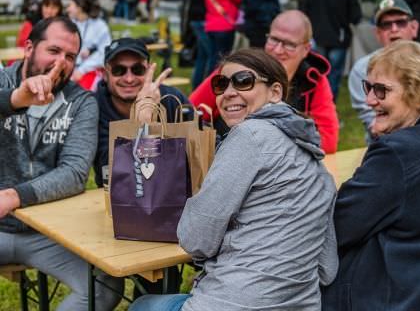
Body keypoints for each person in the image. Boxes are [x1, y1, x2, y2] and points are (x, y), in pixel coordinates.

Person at [130, 48, 338, 311]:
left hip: (231, 302)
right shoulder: (317, 163)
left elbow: (195, 239)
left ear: (275, 92)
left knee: (143, 305)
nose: (228, 92)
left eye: (243, 81)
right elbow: (327, 268)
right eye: (221, 83)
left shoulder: (249, 135)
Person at [323, 40, 420, 311]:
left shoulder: (398, 153)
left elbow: (335, 226)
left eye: (381, 90)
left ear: (418, 94)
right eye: (368, 87)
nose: (370, 99)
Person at [0, 16, 121, 310]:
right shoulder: (3, 81)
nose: (61, 63)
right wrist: (16, 99)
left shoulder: (81, 102)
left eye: (70, 56)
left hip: (48, 232)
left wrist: (14, 196)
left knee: (104, 288)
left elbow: (75, 172)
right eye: (53, 51)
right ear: (29, 48)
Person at [93, 37, 191, 297]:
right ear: (105, 74)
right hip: (116, 214)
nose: (128, 77)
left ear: (149, 69)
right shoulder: (94, 107)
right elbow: (111, 168)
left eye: (137, 69)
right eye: (119, 70)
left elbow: (194, 160)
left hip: (174, 210)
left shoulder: (173, 100)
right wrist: (142, 120)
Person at [190, 10, 339, 153]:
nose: (278, 50)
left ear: (306, 49)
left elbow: (328, 140)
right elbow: (189, 110)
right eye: (274, 39)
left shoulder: (313, 79)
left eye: (289, 44)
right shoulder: (234, 70)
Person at [349, 0, 420, 141]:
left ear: (414, 28)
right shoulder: (361, 69)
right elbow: (373, 122)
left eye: (400, 22)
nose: (394, 29)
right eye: (386, 24)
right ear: (378, 33)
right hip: (386, 145)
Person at [304, 0, 362, 101]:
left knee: (316, 74)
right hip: (338, 38)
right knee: (333, 76)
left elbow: (304, 10)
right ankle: (328, 108)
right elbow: (356, 17)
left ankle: (316, 107)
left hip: (317, 37)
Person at [201, 0, 243, 73]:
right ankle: (216, 85)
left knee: (213, 58)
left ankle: (209, 86)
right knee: (222, 60)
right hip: (225, 25)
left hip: (211, 25)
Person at [66, 0, 111, 90]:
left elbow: (104, 54)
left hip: (90, 71)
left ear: (80, 7)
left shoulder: (100, 26)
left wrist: (81, 70)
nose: (67, 9)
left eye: (70, 5)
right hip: (71, 70)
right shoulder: (70, 24)